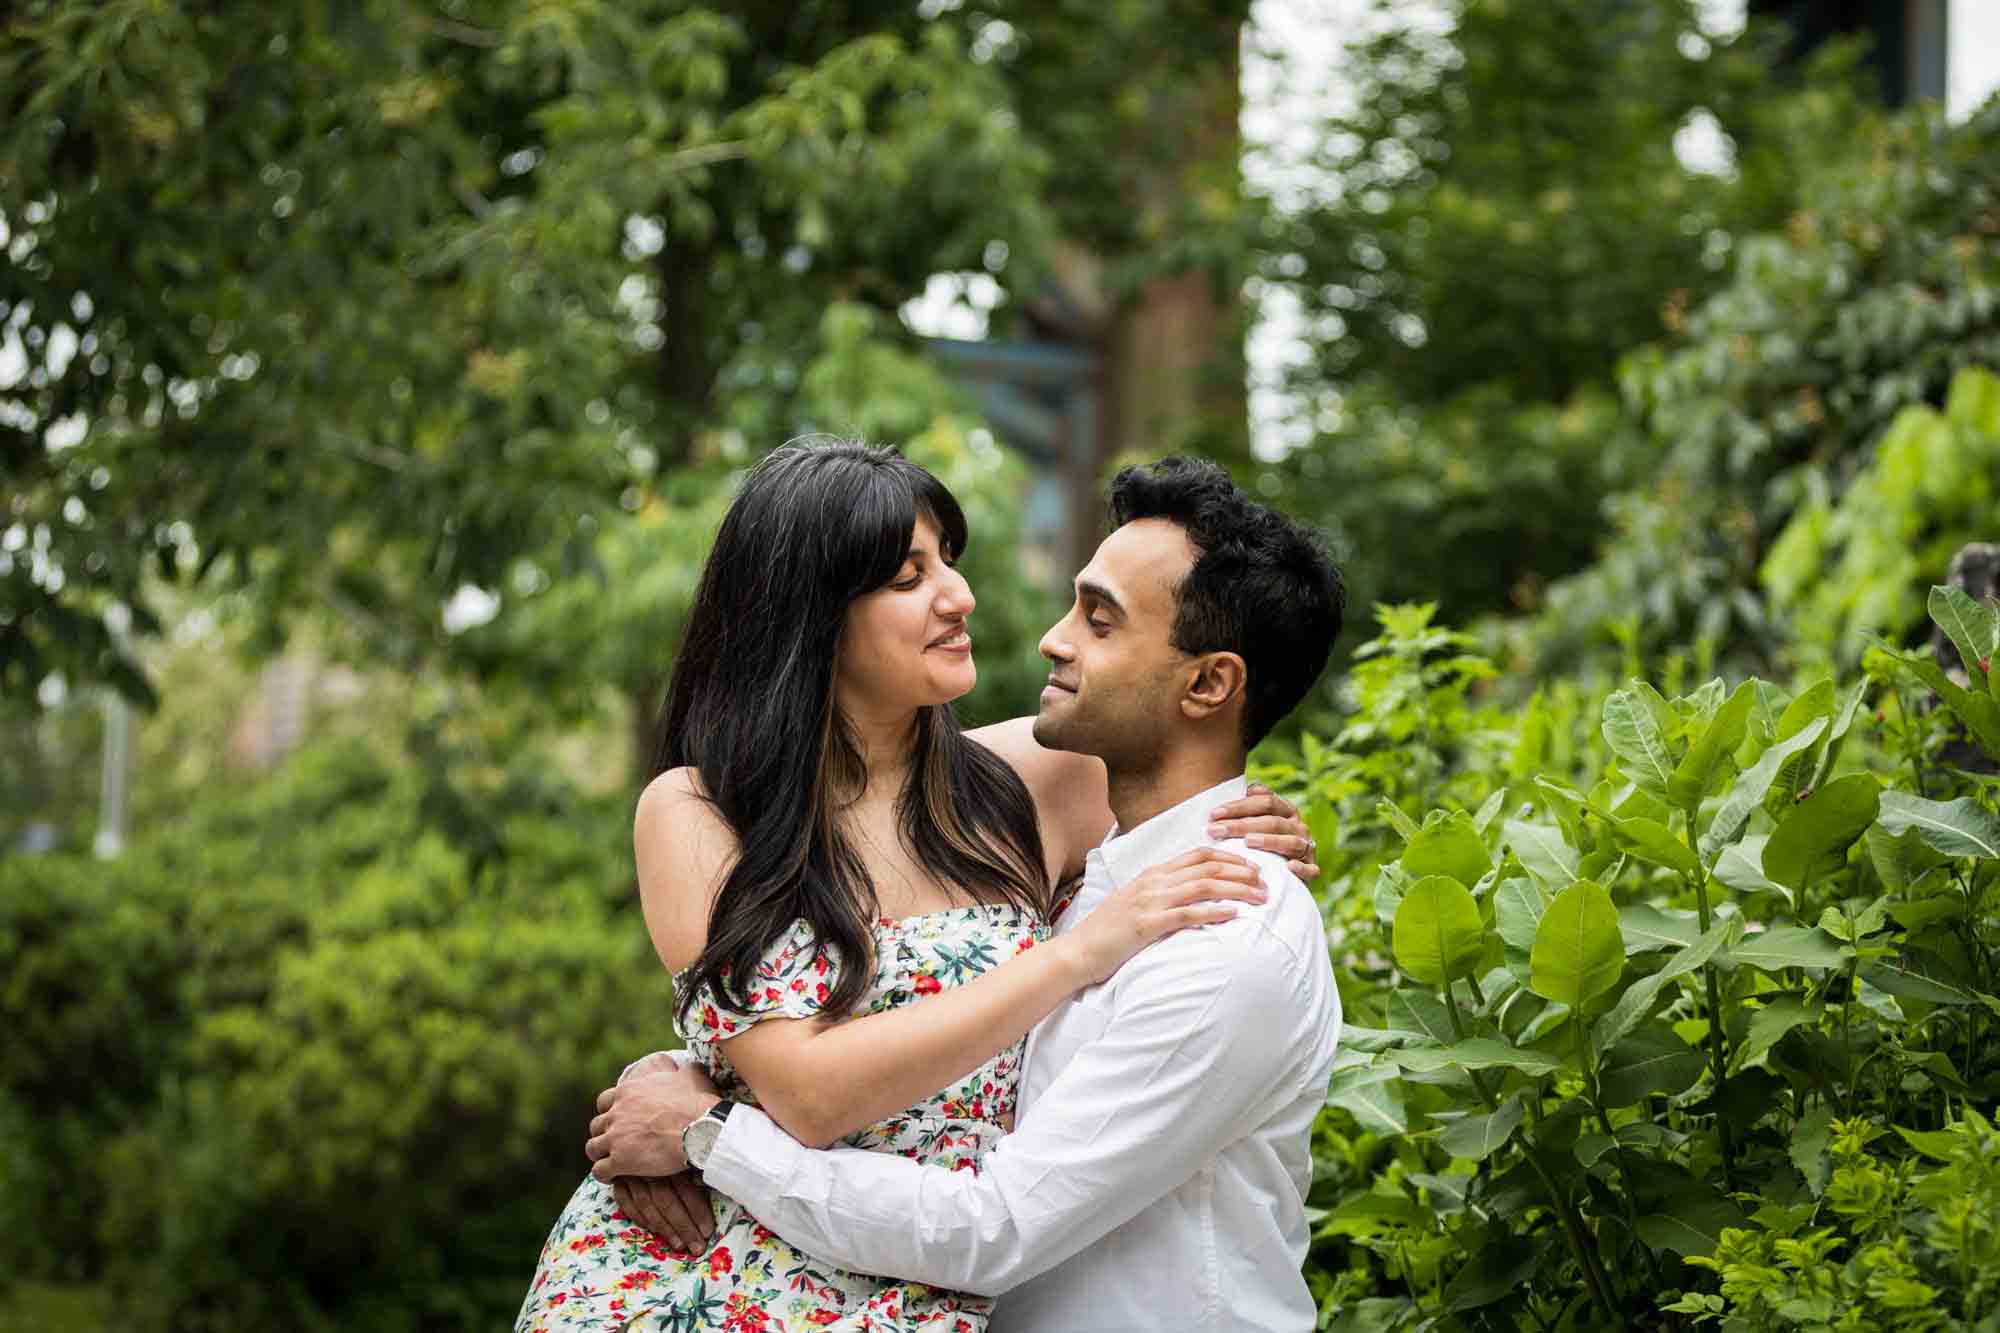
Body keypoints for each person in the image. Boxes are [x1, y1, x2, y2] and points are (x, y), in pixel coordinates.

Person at [515, 442, 1320, 1332]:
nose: (960, 595)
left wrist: (1263, 820)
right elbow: (807, 1091)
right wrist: (1078, 953)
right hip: (726, 1276)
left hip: (926, 1276)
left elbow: (1186, 768)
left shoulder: (1032, 781)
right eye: (909, 575)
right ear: (814, 613)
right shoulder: (699, 809)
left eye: (949, 561)